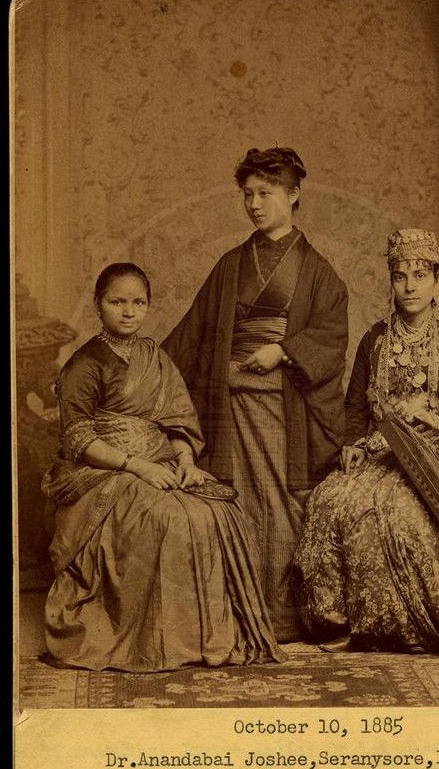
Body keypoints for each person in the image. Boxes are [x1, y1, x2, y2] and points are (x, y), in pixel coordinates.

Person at [41, 263, 284, 672]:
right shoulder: (84, 364)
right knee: (168, 517)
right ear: (99, 306)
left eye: (138, 302)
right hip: (105, 473)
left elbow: (177, 420)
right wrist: (139, 468)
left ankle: (211, 636)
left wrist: (186, 461)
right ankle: (159, 641)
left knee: (219, 511)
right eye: (117, 302)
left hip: (163, 462)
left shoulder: (155, 356)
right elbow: (79, 441)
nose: (128, 311)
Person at [293, 228, 439, 654]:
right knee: (332, 497)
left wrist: (435, 417)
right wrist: (354, 443)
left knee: (398, 510)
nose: (410, 286)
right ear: (391, 282)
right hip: (390, 450)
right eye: (400, 276)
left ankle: (433, 625)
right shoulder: (376, 338)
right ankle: (348, 622)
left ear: (437, 279)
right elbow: (356, 407)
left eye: (420, 275)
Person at [162, 147, 348, 642]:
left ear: (293, 195)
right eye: (248, 195)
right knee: (236, 502)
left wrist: (285, 350)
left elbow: (331, 335)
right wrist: (145, 369)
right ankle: (239, 614)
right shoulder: (230, 265)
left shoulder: (318, 272)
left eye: (266, 193)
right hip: (229, 403)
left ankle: (282, 616)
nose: (255, 204)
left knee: (282, 504)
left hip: (282, 405)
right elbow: (193, 333)